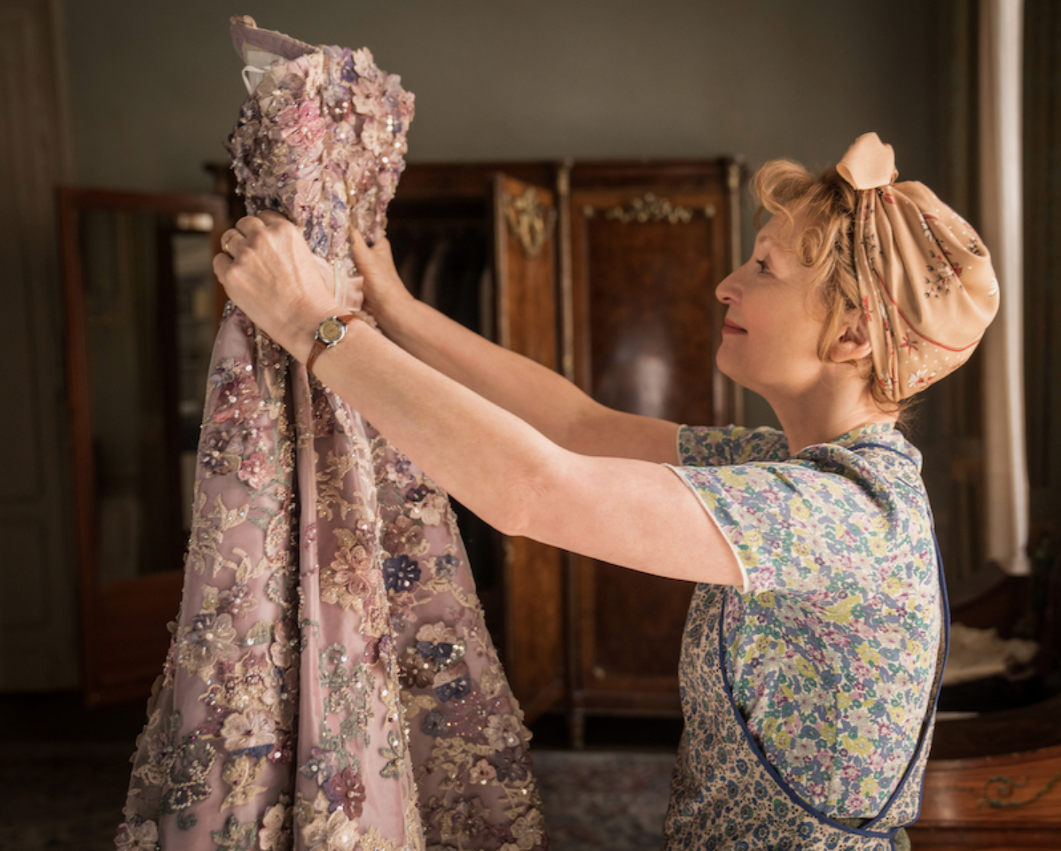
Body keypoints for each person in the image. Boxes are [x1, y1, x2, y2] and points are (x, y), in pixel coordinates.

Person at [214, 132, 999, 849]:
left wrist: (310, 325)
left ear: (853, 334)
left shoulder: (843, 510)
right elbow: (577, 424)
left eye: (765, 267)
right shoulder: (785, 465)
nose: (726, 285)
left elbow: (532, 490)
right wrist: (402, 312)